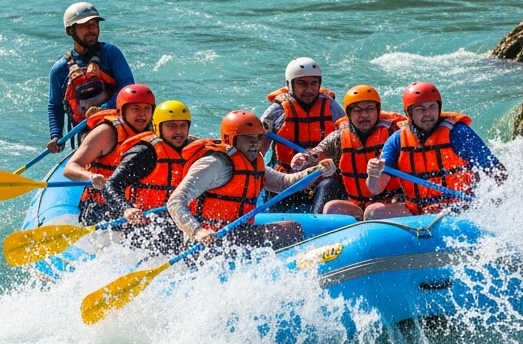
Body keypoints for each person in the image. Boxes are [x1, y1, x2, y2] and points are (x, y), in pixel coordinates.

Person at [166, 110, 335, 251]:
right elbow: (175, 202)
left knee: (292, 228)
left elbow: (284, 183)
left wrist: (316, 171)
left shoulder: (253, 162)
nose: (255, 144)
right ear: (231, 139)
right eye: (248, 138)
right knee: (291, 229)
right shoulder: (214, 164)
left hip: (236, 233)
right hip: (206, 242)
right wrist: (197, 232)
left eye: (258, 137)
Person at [364, 81, 507, 220]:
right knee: (373, 213)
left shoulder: (458, 133)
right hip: (417, 213)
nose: (427, 113)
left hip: (458, 212)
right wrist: (373, 172)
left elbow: (498, 171)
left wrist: (494, 200)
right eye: (420, 109)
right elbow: (375, 189)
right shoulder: (397, 140)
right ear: (409, 113)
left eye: (432, 107)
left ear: (439, 108)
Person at [100, 100, 210, 255]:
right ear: (158, 127)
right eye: (171, 126)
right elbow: (110, 185)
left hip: (179, 223)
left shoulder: (195, 150)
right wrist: (127, 208)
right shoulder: (144, 152)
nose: (178, 131)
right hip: (144, 226)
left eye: (183, 126)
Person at [288, 84, 406, 218]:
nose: (364, 115)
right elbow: (316, 154)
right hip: (357, 204)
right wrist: (303, 159)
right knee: (331, 208)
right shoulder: (339, 137)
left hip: (390, 201)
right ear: (349, 114)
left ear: (377, 111)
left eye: (370, 109)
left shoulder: (393, 134)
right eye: (357, 110)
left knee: (376, 211)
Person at [46, 2, 135, 153]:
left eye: (94, 24)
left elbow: (128, 88)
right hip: (87, 135)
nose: (92, 29)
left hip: (120, 126)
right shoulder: (59, 70)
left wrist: (103, 109)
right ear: (70, 31)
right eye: (85, 25)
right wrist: (56, 136)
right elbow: (55, 106)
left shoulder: (111, 53)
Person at [62, 83, 155, 225]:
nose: (142, 114)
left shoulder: (154, 134)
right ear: (122, 111)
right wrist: (91, 177)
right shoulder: (106, 132)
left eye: (147, 109)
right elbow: (70, 168)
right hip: (100, 208)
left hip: (135, 209)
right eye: (135, 109)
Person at [260, 57, 344, 212]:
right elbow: (259, 149)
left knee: (330, 185)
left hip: (320, 175)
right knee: (275, 186)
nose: (309, 90)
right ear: (290, 85)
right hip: (287, 177)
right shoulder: (276, 112)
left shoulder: (331, 107)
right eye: (302, 84)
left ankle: (319, 220)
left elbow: (348, 140)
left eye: (314, 84)